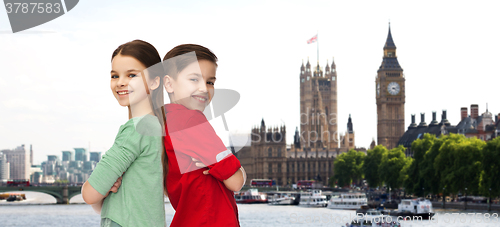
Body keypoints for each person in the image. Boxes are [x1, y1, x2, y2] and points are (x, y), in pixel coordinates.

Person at [81, 40, 166, 227]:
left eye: (131, 75)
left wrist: (100, 188)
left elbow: (90, 194)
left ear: (154, 81)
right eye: (114, 76)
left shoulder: (136, 129)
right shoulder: (157, 128)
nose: (120, 83)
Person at [162, 44, 246, 226]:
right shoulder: (192, 121)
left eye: (210, 82)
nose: (203, 88)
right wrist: (239, 171)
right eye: (194, 79)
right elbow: (236, 181)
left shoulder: (165, 122)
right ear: (169, 84)